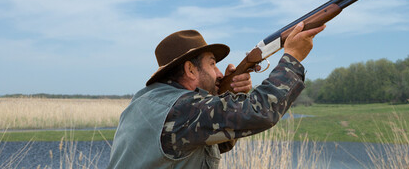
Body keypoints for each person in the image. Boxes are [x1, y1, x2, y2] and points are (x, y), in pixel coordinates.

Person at [108, 22, 325, 169]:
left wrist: (228, 94)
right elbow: (262, 111)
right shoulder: (182, 110)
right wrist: (293, 57)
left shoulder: (146, 101)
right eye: (212, 64)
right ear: (190, 70)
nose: (220, 73)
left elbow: (215, 143)